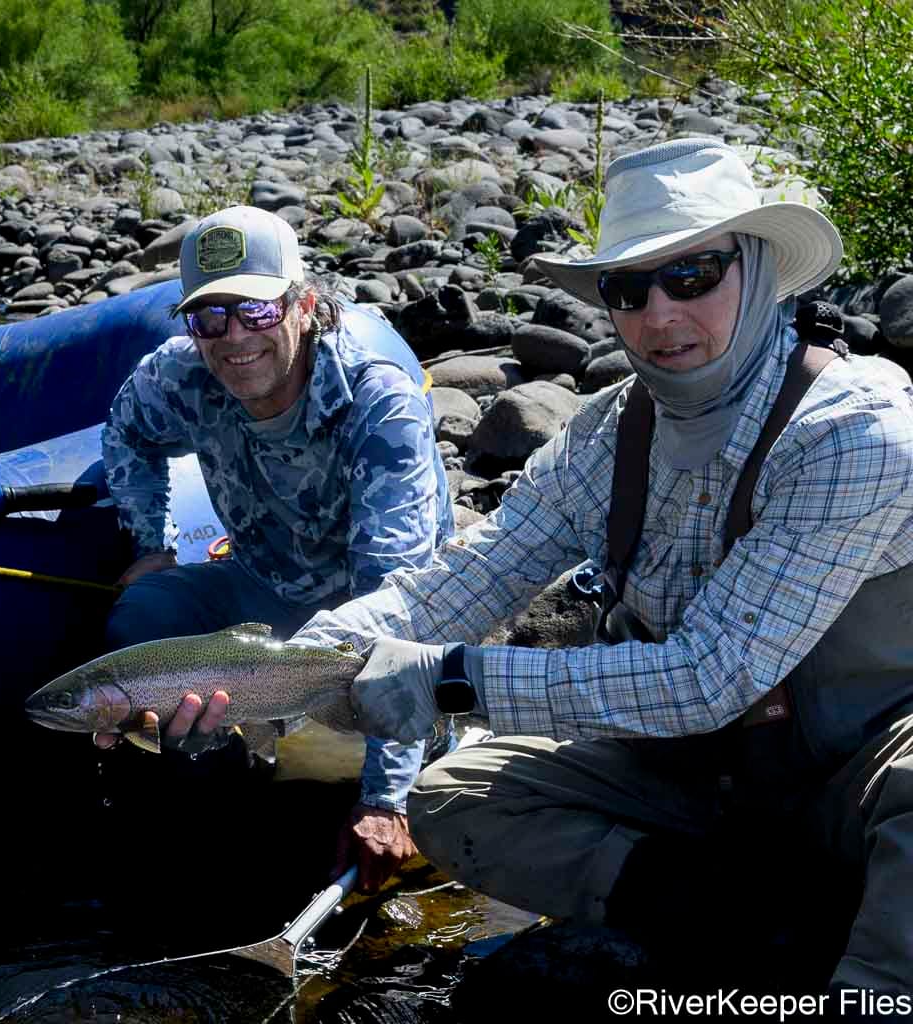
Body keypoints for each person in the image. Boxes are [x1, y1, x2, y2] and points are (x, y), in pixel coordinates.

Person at [290, 139, 913, 1004]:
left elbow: (711, 677)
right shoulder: (601, 438)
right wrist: (279, 672)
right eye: (630, 289)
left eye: (693, 274)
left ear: (763, 270)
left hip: (861, 768)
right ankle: (747, 923)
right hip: (703, 782)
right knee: (455, 796)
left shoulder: (857, 429)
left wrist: (454, 683)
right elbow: (453, 589)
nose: (659, 314)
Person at [98, 205, 455, 892]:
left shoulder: (378, 404)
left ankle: (415, 752)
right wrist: (151, 542)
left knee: (402, 712)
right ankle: (223, 798)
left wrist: (384, 800)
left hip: (366, 603)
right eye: (210, 317)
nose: (234, 339)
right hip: (260, 582)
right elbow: (125, 431)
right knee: (140, 617)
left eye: (256, 312)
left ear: (303, 305)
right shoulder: (177, 374)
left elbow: (402, 609)